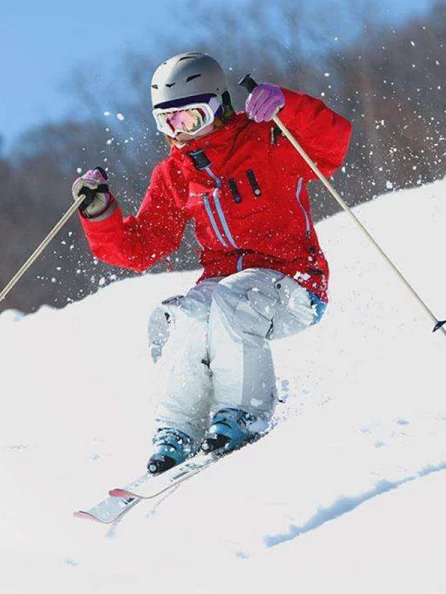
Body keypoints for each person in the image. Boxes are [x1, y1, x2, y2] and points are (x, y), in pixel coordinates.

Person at [72, 52, 352, 474]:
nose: (179, 132)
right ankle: (178, 428)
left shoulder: (268, 140)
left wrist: (287, 107)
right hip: (228, 288)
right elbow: (141, 247)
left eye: (189, 118)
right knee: (181, 317)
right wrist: (99, 213)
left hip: (294, 284)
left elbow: (333, 144)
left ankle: (243, 412)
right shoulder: (175, 174)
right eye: (168, 122)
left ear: (219, 106)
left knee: (226, 300)